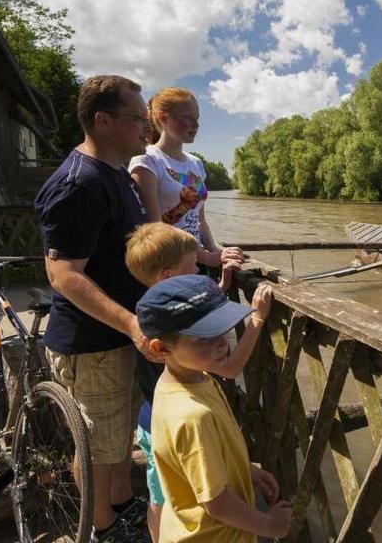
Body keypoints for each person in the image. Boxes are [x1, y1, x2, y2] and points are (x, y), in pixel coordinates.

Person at [34, 75, 153, 542]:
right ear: (102, 121)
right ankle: (102, 528)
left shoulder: (117, 173)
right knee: (98, 447)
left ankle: (121, 503)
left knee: (119, 437)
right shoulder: (79, 183)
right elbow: (63, 275)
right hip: (93, 343)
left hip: (122, 336)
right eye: (138, 118)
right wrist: (129, 321)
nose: (147, 127)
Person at [136, 275, 292, 542]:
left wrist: (247, 470)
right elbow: (217, 504)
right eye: (203, 338)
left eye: (221, 330)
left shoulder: (185, 379)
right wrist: (270, 525)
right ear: (161, 348)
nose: (222, 342)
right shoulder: (193, 415)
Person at [124, 222, 252, 540]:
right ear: (168, 275)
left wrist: (217, 291)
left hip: (158, 420)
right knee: (164, 499)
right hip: (164, 430)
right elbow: (229, 366)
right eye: (193, 266)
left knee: (172, 495)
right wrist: (258, 320)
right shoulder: (191, 410)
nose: (198, 269)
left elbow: (190, 322)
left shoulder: (158, 314)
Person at [127, 86, 242, 267]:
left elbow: (199, 221)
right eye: (187, 118)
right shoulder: (147, 161)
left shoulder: (196, 163)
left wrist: (215, 250)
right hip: (168, 267)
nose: (196, 125)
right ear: (163, 118)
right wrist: (207, 258)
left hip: (195, 263)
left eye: (197, 118)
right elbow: (155, 229)